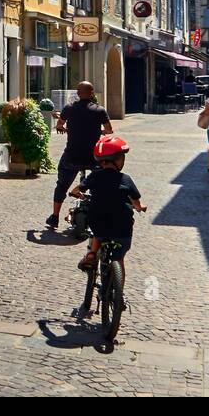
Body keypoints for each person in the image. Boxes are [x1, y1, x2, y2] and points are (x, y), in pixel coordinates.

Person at [72, 135, 146, 281]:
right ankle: (119, 291)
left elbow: (76, 190)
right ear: (118, 160)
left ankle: (91, 254)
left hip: (98, 223)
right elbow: (137, 203)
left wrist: (78, 194)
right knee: (119, 257)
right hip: (122, 228)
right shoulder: (125, 179)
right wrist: (140, 207)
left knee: (98, 232)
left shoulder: (94, 176)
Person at [45, 80, 113, 230]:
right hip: (93, 157)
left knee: (62, 185)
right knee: (99, 186)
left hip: (72, 155)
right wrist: (100, 131)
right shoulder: (100, 110)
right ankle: (100, 216)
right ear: (92, 93)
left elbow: (59, 125)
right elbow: (109, 130)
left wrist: (66, 129)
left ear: (78, 94)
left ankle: (55, 217)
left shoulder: (69, 108)